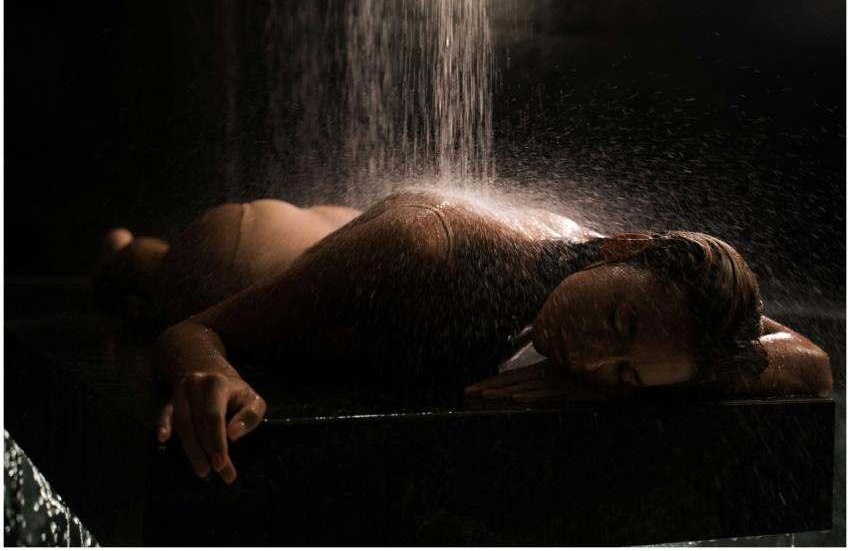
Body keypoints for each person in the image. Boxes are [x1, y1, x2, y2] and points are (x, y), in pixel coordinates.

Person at [95, 189, 833, 484]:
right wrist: (208, 370)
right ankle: (122, 246)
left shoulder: (665, 304)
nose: (594, 359)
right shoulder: (432, 245)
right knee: (140, 269)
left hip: (353, 254)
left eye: (627, 377)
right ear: (624, 247)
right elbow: (195, 330)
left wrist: (611, 377)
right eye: (618, 325)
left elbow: (811, 363)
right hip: (232, 256)